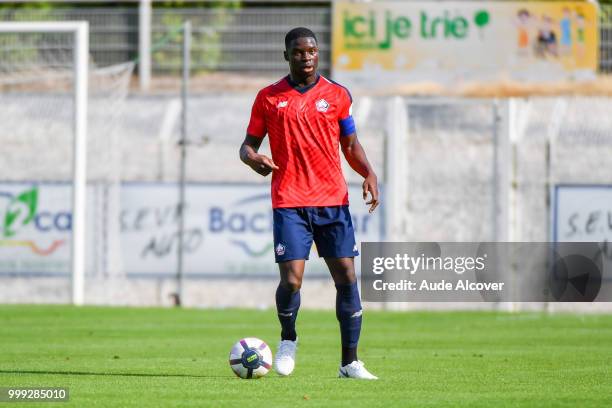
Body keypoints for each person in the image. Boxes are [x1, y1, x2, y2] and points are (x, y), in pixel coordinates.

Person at [239, 27, 379, 380]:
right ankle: (288, 340)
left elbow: (350, 144)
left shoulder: (337, 95)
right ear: (287, 56)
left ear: (319, 54)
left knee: (347, 278)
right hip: (289, 200)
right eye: (299, 52)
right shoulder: (269, 98)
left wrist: (369, 173)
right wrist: (253, 158)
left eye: (312, 51)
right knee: (293, 280)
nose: (306, 57)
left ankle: (350, 363)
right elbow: (247, 146)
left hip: (332, 200)